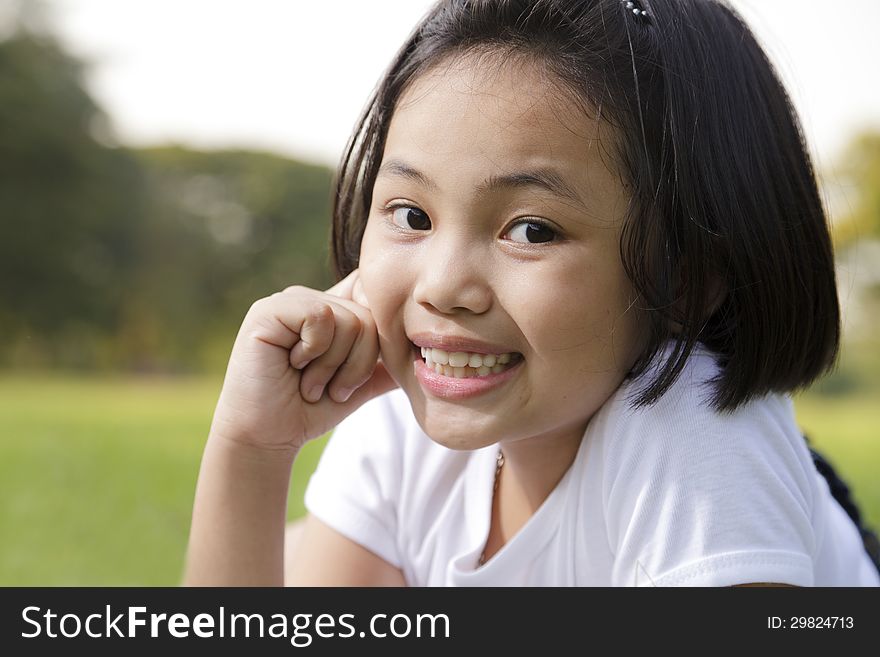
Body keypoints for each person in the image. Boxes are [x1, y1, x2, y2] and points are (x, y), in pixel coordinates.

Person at [183, 0, 880, 586]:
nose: (444, 285)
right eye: (411, 215)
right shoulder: (401, 424)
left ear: (688, 281)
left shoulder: (694, 439)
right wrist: (252, 446)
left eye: (532, 229)